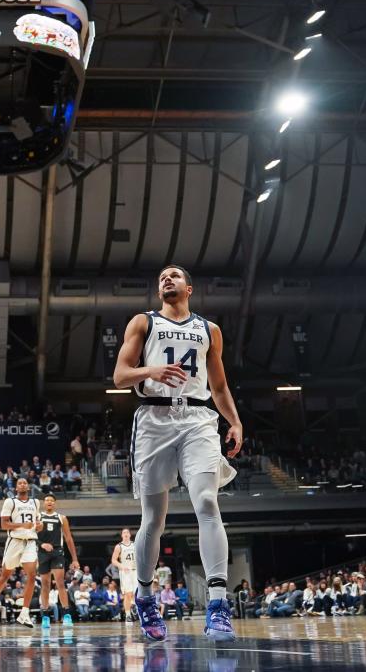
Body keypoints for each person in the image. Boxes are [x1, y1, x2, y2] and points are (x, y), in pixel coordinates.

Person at [113, 265, 243, 643]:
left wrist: (233, 421)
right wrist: (151, 369)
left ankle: (218, 605)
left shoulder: (209, 330)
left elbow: (218, 385)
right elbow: (121, 375)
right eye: (161, 278)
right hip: (154, 418)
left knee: (207, 501)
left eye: (174, 276)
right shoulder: (143, 322)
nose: (166, 280)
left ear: (189, 287)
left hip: (199, 418)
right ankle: (146, 596)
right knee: (154, 519)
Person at [0, 477, 42, 628]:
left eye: (25, 482)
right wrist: (23, 525)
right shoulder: (10, 502)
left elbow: (38, 524)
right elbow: (4, 525)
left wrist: (39, 525)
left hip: (30, 542)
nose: (22, 484)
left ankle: (24, 613)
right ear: (16, 488)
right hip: (14, 541)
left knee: (32, 576)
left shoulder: (35, 502)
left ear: (28, 487)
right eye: (19, 483)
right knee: (5, 576)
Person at [37, 494, 79, 628]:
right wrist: (41, 544)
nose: (49, 502)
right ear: (44, 503)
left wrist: (74, 559)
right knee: (45, 584)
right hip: (42, 552)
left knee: (60, 583)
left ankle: (66, 615)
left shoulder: (61, 518)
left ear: (55, 503)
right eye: (47, 500)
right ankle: (45, 616)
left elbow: (68, 538)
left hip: (57, 552)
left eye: (51, 500)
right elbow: (31, 535)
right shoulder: (38, 517)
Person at [110, 528, 137, 622]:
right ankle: (128, 615)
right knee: (128, 593)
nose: (125, 534)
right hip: (126, 572)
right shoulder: (119, 546)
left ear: (130, 535)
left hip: (136, 570)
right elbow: (113, 560)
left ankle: (133, 605)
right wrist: (121, 566)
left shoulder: (135, 544)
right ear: (122, 535)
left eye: (127, 532)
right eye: (124, 533)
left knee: (136, 592)